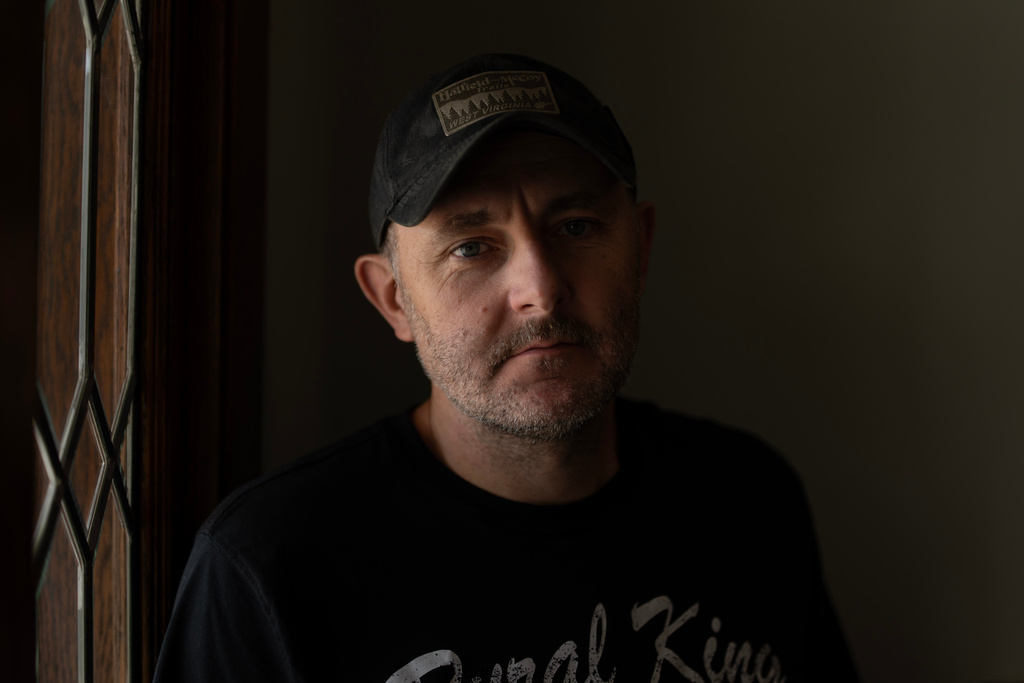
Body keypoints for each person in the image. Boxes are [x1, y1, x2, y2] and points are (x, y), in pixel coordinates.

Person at [153, 53, 860, 682]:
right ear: (394, 299)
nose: (540, 289)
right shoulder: (271, 564)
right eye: (471, 247)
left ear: (640, 252)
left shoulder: (751, 503)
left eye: (576, 227)